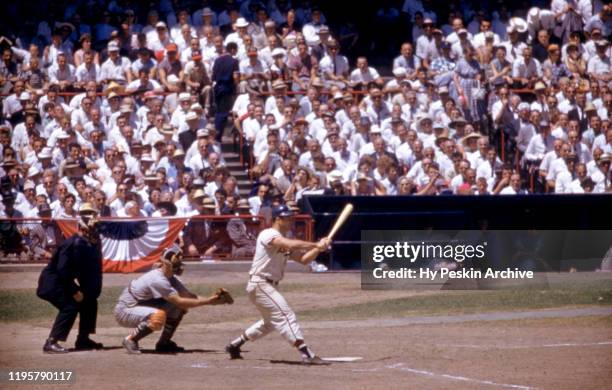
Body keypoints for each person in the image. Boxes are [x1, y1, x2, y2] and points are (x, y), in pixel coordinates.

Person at [225, 204, 331, 365]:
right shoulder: (269, 233)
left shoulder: (284, 238)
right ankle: (306, 353)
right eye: (286, 218)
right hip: (261, 283)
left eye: (291, 218)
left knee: (270, 323)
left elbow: (303, 260)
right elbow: (289, 244)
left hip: (267, 286)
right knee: (286, 315)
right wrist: (315, 244)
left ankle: (235, 345)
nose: (290, 221)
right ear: (277, 219)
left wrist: (319, 249)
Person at [114, 245, 233, 353]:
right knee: (158, 316)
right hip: (125, 310)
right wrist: (209, 302)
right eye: (176, 265)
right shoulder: (158, 279)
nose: (179, 267)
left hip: (140, 306)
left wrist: (213, 299)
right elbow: (178, 300)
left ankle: (163, 344)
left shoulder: (171, 277)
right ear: (166, 263)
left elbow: (188, 297)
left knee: (180, 308)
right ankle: (130, 339)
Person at [36, 203, 103, 353]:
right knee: (70, 306)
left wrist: (89, 292)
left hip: (63, 280)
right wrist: (74, 291)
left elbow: (87, 272)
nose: (96, 232)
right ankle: (51, 342)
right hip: (52, 281)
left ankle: (83, 339)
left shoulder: (89, 245)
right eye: (93, 228)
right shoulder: (73, 243)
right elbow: (62, 270)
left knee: (89, 302)